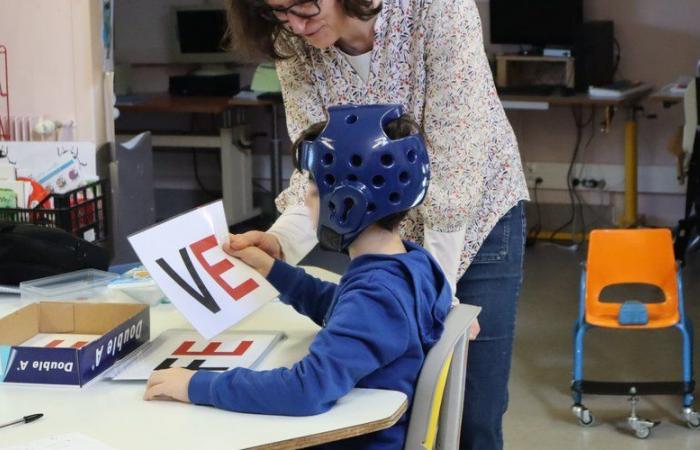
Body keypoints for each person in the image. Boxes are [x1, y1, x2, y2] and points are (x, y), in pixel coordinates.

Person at [225, 1, 528, 448]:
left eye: (302, 5)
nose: (293, 23)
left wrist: (432, 299)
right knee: (397, 403)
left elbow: (457, 166)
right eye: (277, 12)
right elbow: (319, 170)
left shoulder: (438, 9)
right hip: (388, 233)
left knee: (471, 412)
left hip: (475, 214)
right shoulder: (293, 38)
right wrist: (280, 241)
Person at [143, 104, 453, 450]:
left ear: (348, 204)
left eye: (316, 190)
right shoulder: (410, 264)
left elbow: (306, 390)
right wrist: (273, 270)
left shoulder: (376, 295)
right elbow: (342, 308)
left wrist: (197, 386)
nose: (306, 199)